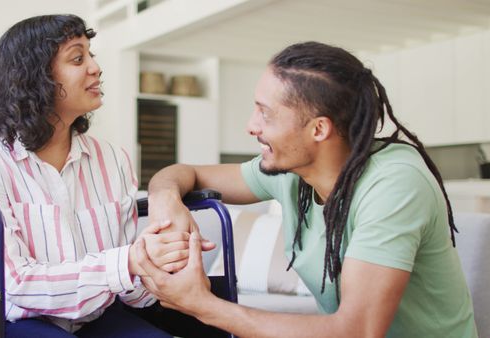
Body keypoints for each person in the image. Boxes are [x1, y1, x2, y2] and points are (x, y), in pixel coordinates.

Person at [136, 41, 478, 337]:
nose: (250, 126)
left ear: (318, 130)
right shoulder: (293, 170)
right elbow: (184, 173)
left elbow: (357, 331)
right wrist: (166, 201)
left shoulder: (394, 184)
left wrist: (201, 305)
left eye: (265, 114)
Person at [0, 14, 198, 338]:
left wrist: (166, 261)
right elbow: (11, 285)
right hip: (7, 319)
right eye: (77, 58)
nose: (96, 67)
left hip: (94, 315)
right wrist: (125, 263)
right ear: (34, 77)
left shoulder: (113, 160)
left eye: (91, 55)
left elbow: (131, 289)